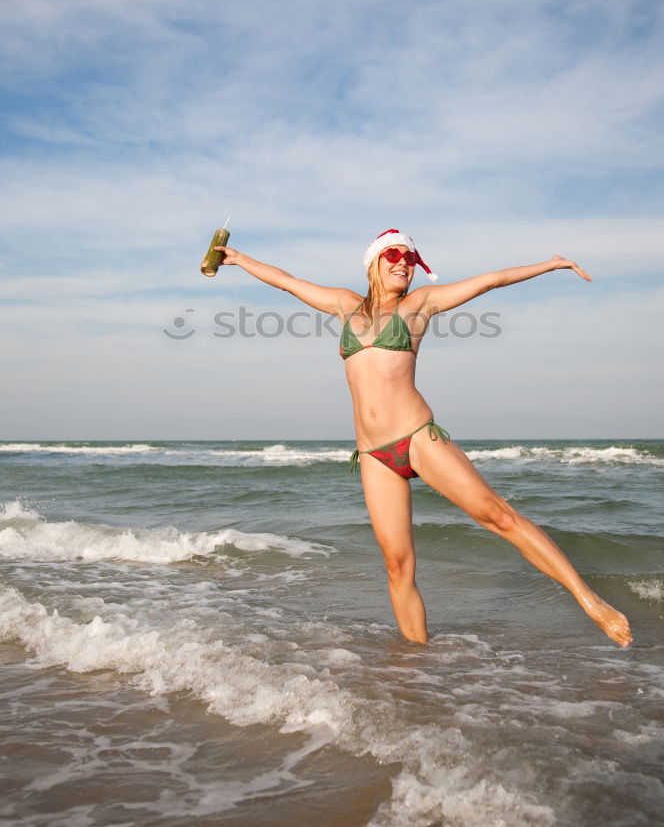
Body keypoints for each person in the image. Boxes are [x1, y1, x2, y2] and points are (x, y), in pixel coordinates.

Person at [214, 229, 633, 648]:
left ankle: (591, 602)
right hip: (374, 454)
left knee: (498, 517)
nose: (403, 263)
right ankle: (418, 665)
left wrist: (549, 263)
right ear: (374, 262)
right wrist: (239, 259)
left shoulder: (419, 305)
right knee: (397, 566)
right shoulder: (344, 305)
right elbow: (286, 281)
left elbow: (490, 280)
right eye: (394, 255)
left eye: (411, 259)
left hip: (416, 436)